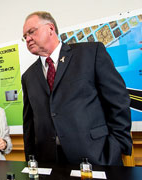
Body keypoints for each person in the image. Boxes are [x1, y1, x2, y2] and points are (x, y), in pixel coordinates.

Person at [21, 11, 132, 165]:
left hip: (97, 157)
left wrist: (118, 145)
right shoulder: (28, 76)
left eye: (31, 32)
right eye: (24, 36)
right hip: (50, 163)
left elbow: (118, 101)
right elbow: (29, 124)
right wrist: (31, 159)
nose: (27, 39)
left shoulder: (91, 53)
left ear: (50, 29)